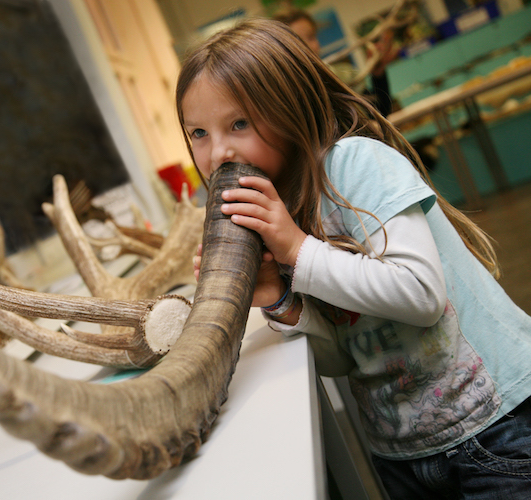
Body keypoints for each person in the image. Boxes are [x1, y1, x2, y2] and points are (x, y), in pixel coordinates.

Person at [180, 18, 531, 500]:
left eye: (238, 123)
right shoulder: (284, 212)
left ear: (288, 107)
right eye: (198, 132)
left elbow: (421, 295)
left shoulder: (355, 164)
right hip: (400, 452)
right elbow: (342, 357)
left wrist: (296, 249)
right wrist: (279, 298)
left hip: (496, 429)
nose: (217, 152)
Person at [274, 8, 396, 117]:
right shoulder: (286, 97)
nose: (308, 46)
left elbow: (380, 112)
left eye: (311, 37)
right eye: (297, 41)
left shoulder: (341, 75)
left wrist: (378, 73)